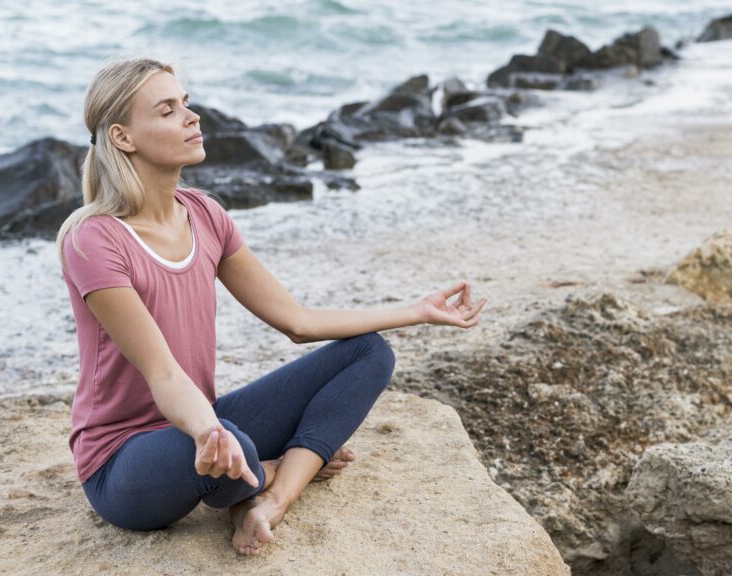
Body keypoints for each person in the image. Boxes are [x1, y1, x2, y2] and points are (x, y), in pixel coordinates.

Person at [54, 57, 488, 556]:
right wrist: (211, 432)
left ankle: (271, 496)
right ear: (122, 137)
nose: (193, 118)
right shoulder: (94, 240)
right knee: (229, 440)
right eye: (168, 110)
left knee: (368, 353)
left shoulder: (205, 214)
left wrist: (417, 310)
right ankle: (276, 467)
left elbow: (298, 322)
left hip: (205, 424)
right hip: (125, 461)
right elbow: (165, 375)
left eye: (187, 104)